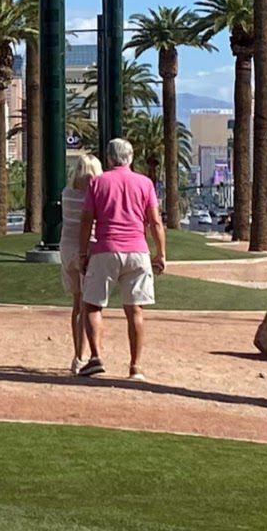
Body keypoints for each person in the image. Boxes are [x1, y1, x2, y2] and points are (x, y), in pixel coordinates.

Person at [76, 136, 167, 380]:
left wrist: (83, 252)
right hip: (138, 250)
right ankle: (135, 366)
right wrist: (161, 254)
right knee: (135, 309)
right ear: (131, 158)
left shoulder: (98, 183)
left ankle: (95, 357)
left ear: (109, 157)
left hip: (105, 249)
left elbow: (86, 221)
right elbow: (155, 222)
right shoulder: (145, 183)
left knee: (93, 305)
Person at [60, 153, 103, 376]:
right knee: (90, 305)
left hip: (67, 249)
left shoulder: (67, 193)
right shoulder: (95, 195)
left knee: (77, 305)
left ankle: (77, 356)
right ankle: (88, 354)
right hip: (89, 250)